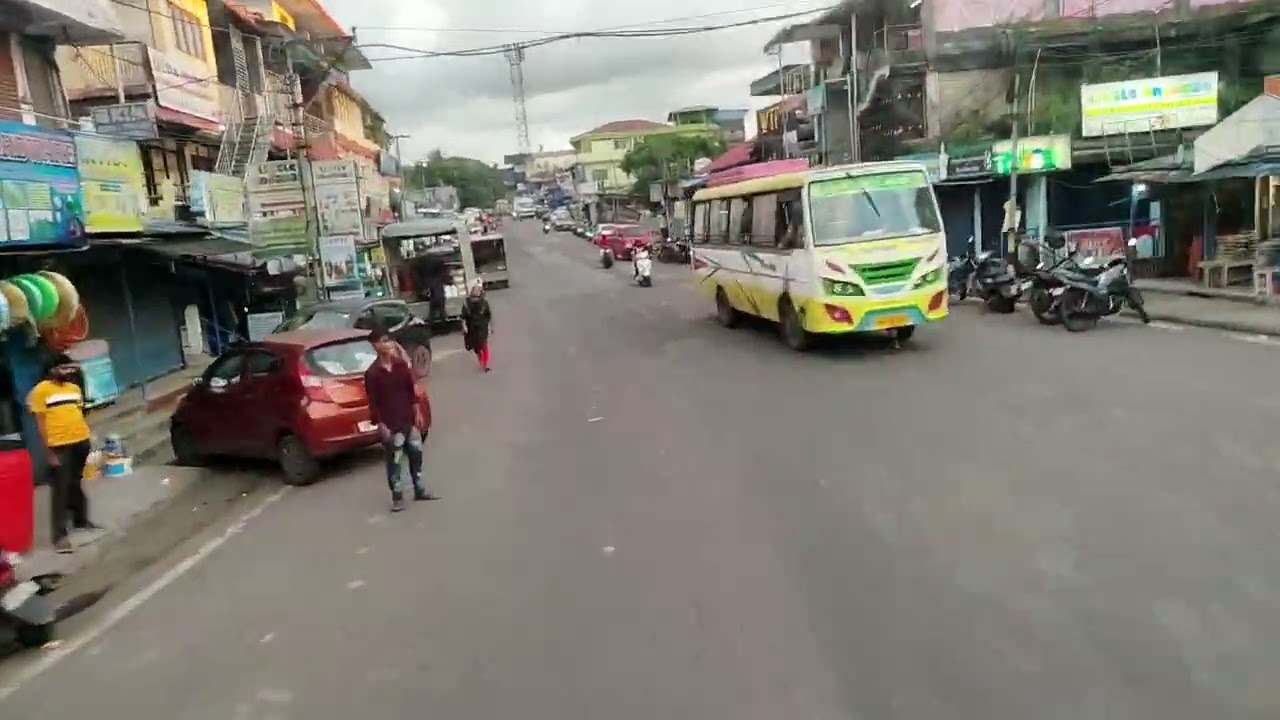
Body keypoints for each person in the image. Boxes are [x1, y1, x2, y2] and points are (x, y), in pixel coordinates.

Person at [28, 353, 99, 553]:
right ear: (53, 369)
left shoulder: (74, 389)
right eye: (65, 369)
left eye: (71, 369)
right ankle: (59, 536)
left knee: (76, 483)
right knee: (60, 489)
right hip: (60, 446)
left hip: (81, 442)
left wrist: (88, 437)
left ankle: (81, 521)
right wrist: (49, 452)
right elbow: (40, 423)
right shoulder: (41, 391)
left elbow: (79, 414)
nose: (69, 372)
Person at [364, 328, 438, 512]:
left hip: (408, 421)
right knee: (395, 461)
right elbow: (373, 402)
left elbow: (410, 391)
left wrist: (417, 413)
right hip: (391, 425)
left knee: (416, 454)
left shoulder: (400, 366)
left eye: (389, 340)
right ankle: (397, 497)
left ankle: (420, 489)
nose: (387, 344)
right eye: (383, 341)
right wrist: (381, 424)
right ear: (374, 345)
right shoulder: (373, 374)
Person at [461, 284, 493, 373]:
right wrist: (464, 327)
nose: (475, 299)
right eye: (473, 297)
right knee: (477, 348)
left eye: (477, 297)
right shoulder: (467, 304)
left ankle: (484, 364)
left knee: (483, 345)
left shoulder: (484, 304)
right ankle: (482, 363)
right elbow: (463, 317)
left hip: (482, 328)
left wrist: (490, 327)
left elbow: (488, 316)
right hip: (472, 329)